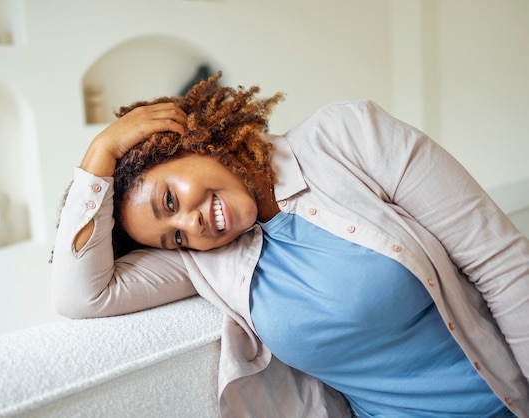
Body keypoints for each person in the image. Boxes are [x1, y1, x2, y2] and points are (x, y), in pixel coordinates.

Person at [51, 73, 529, 417]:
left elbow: (504, 265)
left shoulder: (347, 137)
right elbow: (82, 296)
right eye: (174, 235)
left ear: (190, 143)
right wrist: (100, 156)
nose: (191, 225)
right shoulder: (208, 262)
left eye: (170, 199)